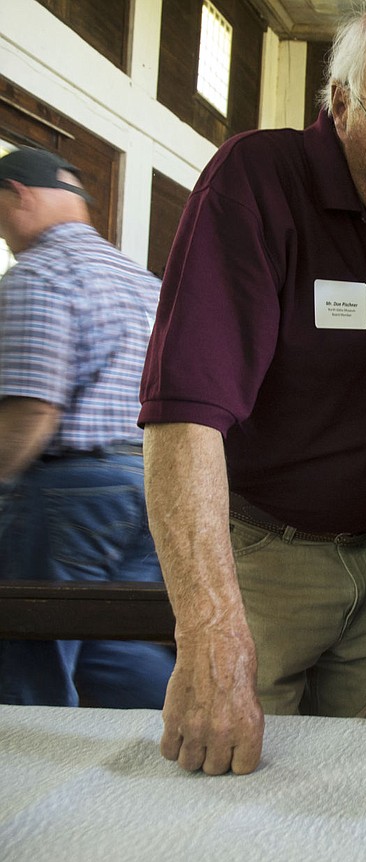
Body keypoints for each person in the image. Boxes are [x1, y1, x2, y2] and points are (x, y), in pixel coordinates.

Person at [138, 0, 366, 774]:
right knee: (226, 780)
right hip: (266, 556)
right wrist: (209, 630)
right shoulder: (256, 184)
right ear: (340, 106)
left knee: (362, 787)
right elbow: (182, 419)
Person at [0, 147, 174, 707]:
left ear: (17, 195)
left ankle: (29, 784)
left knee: (29, 647)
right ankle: (168, 739)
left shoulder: (41, 274)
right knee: (111, 642)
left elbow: (34, 410)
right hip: (150, 485)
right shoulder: (144, 281)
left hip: (72, 493)